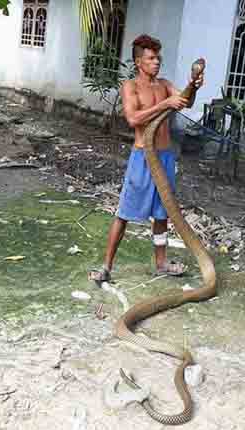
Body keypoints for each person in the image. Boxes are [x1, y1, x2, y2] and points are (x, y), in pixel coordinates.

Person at [88, 34, 204, 283]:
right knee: (124, 212)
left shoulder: (164, 85)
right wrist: (165, 105)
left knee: (162, 213)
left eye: (158, 57)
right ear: (139, 62)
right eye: (151, 58)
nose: (157, 62)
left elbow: (184, 100)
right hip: (143, 157)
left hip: (164, 157)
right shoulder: (130, 87)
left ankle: (161, 263)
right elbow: (133, 119)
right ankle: (107, 267)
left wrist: (193, 84)